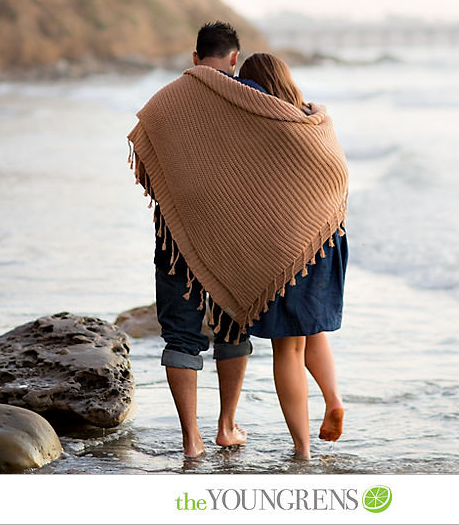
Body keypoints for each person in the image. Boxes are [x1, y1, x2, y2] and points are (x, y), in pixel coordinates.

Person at [127, 23, 349, 460]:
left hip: (177, 238)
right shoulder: (249, 104)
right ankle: (227, 426)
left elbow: (149, 165)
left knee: (180, 339)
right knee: (233, 332)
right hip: (238, 247)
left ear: (194, 58)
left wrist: (183, 201)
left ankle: (191, 443)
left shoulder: (164, 102)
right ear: (233, 59)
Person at [238, 53, 348, 459]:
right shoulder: (314, 120)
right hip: (329, 237)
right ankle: (333, 398)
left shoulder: (258, 120)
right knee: (312, 328)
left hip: (286, 245)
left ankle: (302, 449)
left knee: (287, 347)